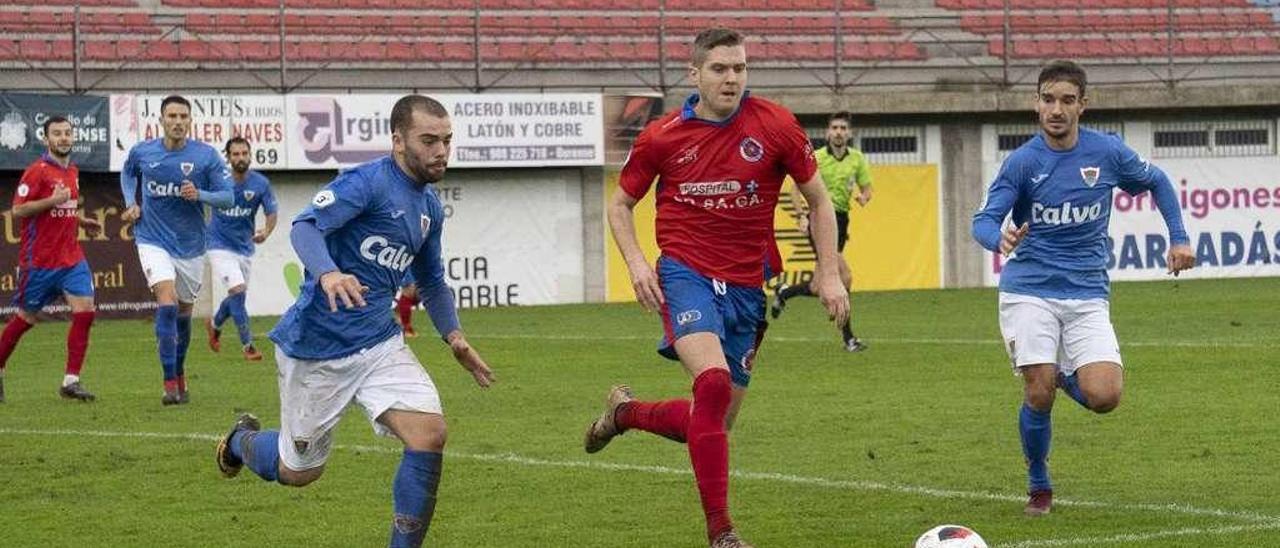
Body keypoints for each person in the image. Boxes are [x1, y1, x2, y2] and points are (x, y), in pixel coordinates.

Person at [582, 28, 849, 548]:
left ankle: (625, 413)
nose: (732, 78)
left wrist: (830, 271)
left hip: (748, 287)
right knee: (712, 385)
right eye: (721, 69)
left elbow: (818, 201)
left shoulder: (775, 124)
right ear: (695, 74)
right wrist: (637, 263)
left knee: (711, 424)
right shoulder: (661, 137)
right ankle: (722, 534)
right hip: (686, 275)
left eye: (740, 68)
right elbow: (619, 205)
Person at [214, 94, 495, 548]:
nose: (441, 151)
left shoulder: (430, 209)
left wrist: (455, 337)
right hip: (317, 348)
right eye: (429, 140)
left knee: (429, 433)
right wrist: (328, 272)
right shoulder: (365, 184)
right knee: (298, 471)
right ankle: (241, 441)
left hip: (380, 344)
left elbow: (432, 279)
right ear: (398, 141)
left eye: (446, 140)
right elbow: (304, 227)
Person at [971, 60, 1195, 516]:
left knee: (1105, 397)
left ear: (1083, 105)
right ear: (1036, 103)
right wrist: (1001, 238)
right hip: (1029, 288)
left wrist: (1179, 237)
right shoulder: (1022, 163)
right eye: (1048, 99)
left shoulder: (1107, 152)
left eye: (1067, 100)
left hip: (1088, 292)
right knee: (1038, 391)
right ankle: (1040, 485)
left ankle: (1060, 375)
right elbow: (983, 221)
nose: (1057, 109)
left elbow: (1157, 181)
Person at [120, 95, 234, 405]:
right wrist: (132, 202)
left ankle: (179, 371)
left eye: (183, 116)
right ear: (162, 120)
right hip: (152, 240)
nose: (178, 121)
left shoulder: (206, 157)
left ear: (190, 121)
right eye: (172, 116)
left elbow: (228, 198)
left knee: (184, 314)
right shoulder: (144, 152)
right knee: (166, 303)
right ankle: (169, 383)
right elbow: (128, 172)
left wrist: (200, 194)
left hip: (191, 247)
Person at [0, 115, 102, 403]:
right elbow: (18, 211)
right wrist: (52, 201)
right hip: (39, 263)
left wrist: (82, 222)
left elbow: (63, 208)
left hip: (71, 259)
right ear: (46, 139)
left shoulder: (73, 171)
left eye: (67, 133)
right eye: (56, 133)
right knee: (24, 320)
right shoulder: (37, 171)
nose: (63, 138)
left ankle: (71, 381)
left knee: (85, 312)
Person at [771, 110, 872, 352]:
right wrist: (801, 216)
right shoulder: (815, 157)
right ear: (828, 132)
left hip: (842, 220)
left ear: (849, 133)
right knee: (843, 276)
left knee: (819, 285)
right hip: (820, 220)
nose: (838, 132)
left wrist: (863, 197)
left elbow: (867, 189)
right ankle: (849, 338)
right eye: (835, 128)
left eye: (843, 128)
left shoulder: (857, 159)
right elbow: (795, 190)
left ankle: (784, 292)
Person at [205, 136, 278, 361]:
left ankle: (215, 325)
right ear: (228, 157)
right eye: (235, 154)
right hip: (218, 245)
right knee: (237, 290)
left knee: (238, 296)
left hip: (245, 248)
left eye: (244, 153)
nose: (240, 158)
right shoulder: (218, 180)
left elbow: (271, 212)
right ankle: (248, 347)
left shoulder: (260, 184)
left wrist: (266, 232)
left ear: (250, 155)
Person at [395, 273, 419, 338]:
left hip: (408, 298)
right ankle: (405, 330)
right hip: (405, 298)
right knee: (404, 315)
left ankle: (405, 329)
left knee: (404, 315)